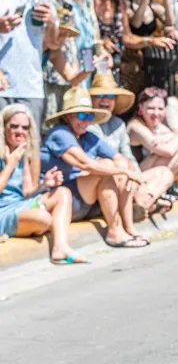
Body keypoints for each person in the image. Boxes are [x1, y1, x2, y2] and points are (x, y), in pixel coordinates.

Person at [40, 87, 149, 248]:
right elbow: (85, 164)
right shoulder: (60, 134)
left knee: (118, 165)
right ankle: (115, 231)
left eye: (89, 116)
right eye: (81, 116)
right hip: (60, 200)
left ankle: (129, 227)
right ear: (68, 116)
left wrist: (129, 172)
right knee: (107, 167)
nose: (86, 121)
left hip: (84, 199)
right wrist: (126, 172)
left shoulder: (88, 137)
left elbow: (120, 159)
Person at [0, 103, 86, 264]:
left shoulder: (24, 153)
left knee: (63, 193)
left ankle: (60, 247)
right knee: (43, 219)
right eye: (14, 126)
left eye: (25, 128)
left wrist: (44, 185)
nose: (20, 131)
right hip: (2, 211)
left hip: (19, 205)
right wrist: (10, 163)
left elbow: (27, 192)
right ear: (4, 127)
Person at [88, 71, 177, 215]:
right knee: (118, 165)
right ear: (91, 98)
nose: (105, 100)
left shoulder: (118, 124)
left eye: (110, 96)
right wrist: (127, 173)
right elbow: (98, 161)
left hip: (126, 176)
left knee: (165, 173)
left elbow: (128, 155)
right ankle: (146, 205)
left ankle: (140, 204)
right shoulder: (87, 123)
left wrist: (136, 178)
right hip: (104, 180)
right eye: (100, 95)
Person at [0, 0, 60, 129]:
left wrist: (51, 22)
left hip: (31, 88)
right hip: (2, 87)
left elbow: (52, 43)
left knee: (31, 143)